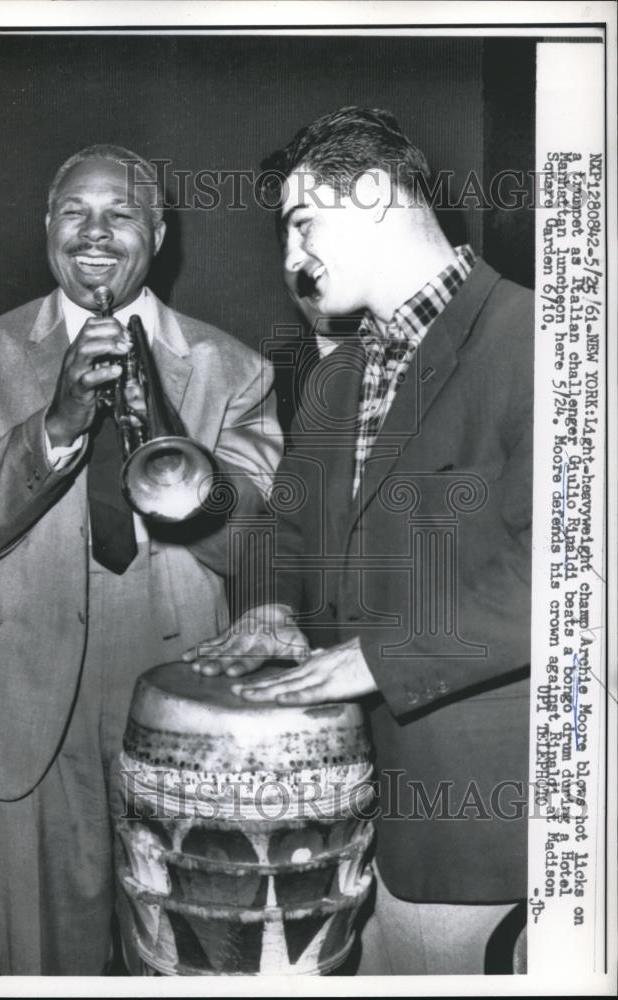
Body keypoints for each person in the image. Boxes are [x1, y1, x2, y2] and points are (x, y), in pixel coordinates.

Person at [0, 145, 283, 975]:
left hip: (185, 709)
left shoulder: (235, 369)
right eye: (74, 213)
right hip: (26, 723)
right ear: (47, 228)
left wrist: (182, 459)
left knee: (198, 964)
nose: (95, 233)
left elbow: (261, 549)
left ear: (157, 232)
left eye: (120, 214)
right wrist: (54, 425)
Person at [188, 107, 532, 975]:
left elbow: (572, 576)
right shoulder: (338, 377)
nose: (289, 259)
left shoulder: (543, 339)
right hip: (349, 823)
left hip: (480, 841)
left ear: (375, 192)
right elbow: (283, 525)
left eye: (302, 223)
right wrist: (269, 602)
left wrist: (371, 660)